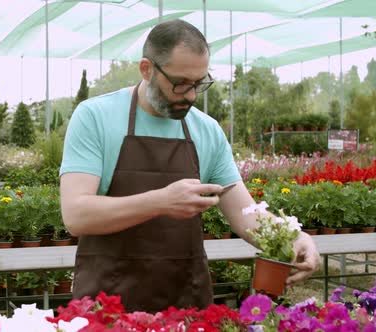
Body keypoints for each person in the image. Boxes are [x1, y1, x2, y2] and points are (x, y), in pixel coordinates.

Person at [59, 19, 320, 313]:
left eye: (199, 83)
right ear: (147, 69)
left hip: (186, 302)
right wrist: (160, 201)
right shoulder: (96, 116)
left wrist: (295, 236)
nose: (192, 96)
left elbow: (245, 214)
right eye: (180, 84)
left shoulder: (206, 130)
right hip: (108, 306)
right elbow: (76, 215)